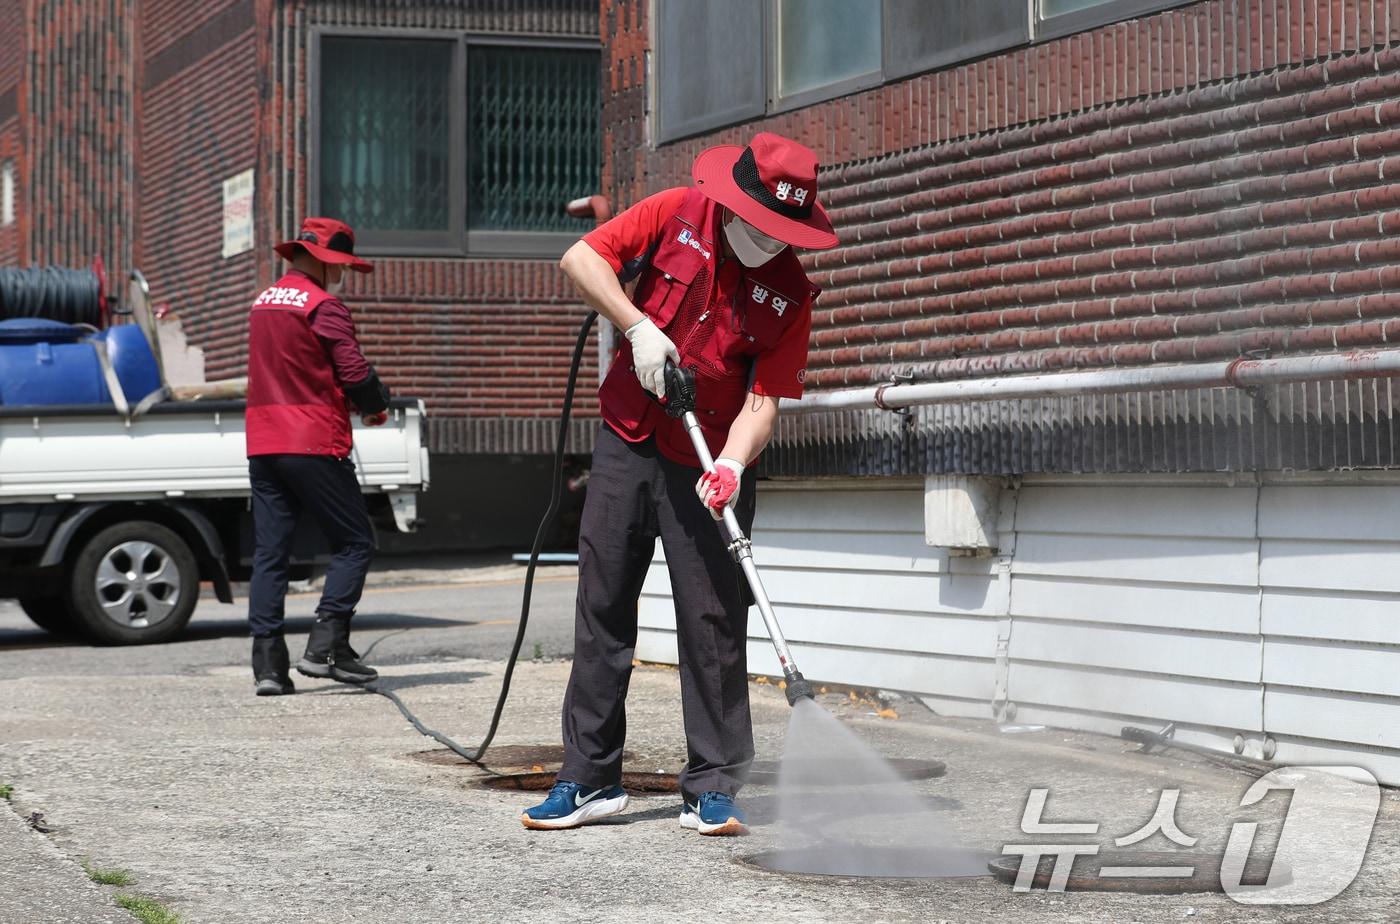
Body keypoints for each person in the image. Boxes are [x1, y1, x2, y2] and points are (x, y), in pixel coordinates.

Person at [523, 133, 838, 835]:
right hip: (629, 438)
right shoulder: (674, 213)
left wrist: (731, 462)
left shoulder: (789, 293)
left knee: (714, 620)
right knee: (603, 603)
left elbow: (766, 401)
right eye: (760, 225)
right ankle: (588, 778)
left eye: (782, 232)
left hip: (711, 461)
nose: (769, 241)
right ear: (732, 202)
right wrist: (636, 328)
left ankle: (715, 782)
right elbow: (582, 258)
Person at [244, 217, 392, 696]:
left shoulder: (263, 302)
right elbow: (352, 371)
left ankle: (269, 666)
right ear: (323, 261)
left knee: (271, 552)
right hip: (312, 439)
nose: (343, 275)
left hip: (264, 441)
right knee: (354, 542)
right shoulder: (323, 306)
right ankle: (324, 646)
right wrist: (374, 404)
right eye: (340, 265)